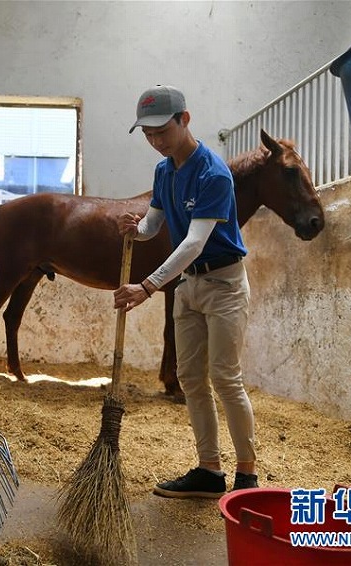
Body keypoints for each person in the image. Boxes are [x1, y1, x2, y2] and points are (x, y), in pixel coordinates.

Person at [114, 85, 258, 498]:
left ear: (185, 120)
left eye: (162, 131)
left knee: (225, 378)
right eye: (148, 134)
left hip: (224, 284)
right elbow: (155, 224)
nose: (156, 141)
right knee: (191, 378)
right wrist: (136, 230)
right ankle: (210, 470)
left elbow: (195, 241)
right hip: (189, 285)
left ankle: (246, 473)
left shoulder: (213, 172)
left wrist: (147, 286)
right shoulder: (164, 171)